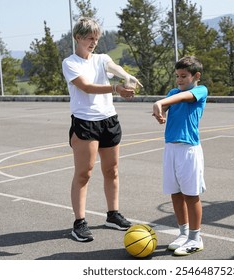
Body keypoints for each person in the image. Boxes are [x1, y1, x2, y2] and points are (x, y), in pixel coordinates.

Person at [62, 17, 142, 242]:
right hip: (85, 122)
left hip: (109, 120)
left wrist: (126, 76)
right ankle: (79, 223)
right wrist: (116, 88)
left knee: (112, 170)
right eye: (89, 38)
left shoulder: (101, 59)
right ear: (78, 37)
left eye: (96, 39)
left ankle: (113, 215)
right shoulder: (70, 63)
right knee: (84, 173)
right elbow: (86, 87)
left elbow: (112, 67)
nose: (93, 42)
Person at [152, 56, 208, 256]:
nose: (179, 80)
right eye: (177, 76)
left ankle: (195, 238)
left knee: (191, 195)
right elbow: (167, 105)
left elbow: (182, 98)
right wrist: (160, 112)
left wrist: (161, 102)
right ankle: (183, 233)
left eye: (183, 76)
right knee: (175, 193)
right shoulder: (173, 92)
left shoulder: (200, 91)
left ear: (196, 76)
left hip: (189, 150)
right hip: (171, 149)